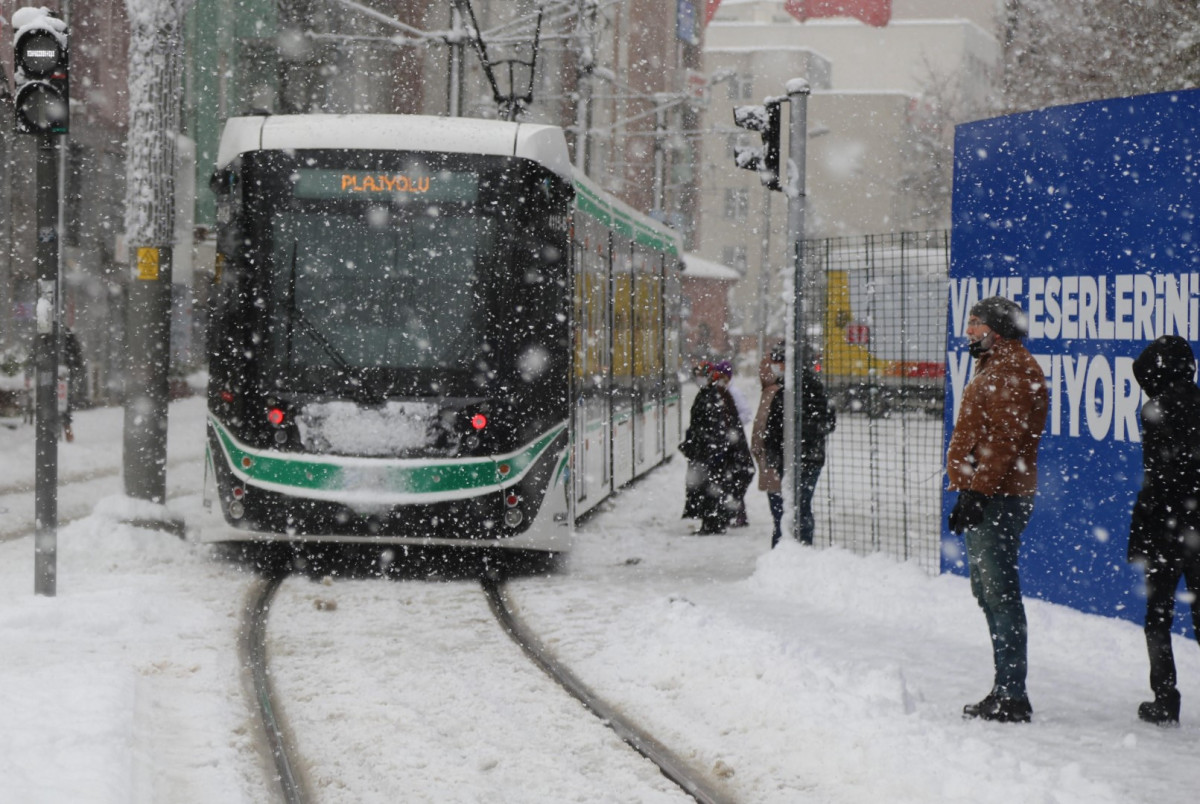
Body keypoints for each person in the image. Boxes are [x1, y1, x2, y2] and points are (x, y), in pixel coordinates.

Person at [946, 296, 1048, 724]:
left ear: (997, 329)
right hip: (990, 494)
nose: (968, 331)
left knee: (1000, 593)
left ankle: (1012, 694)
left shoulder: (1011, 370)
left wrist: (978, 492)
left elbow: (1004, 440)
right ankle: (1005, 688)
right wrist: (971, 487)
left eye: (975, 323)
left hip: (999, 500)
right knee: (987, 592)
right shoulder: (996, 365)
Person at [1128, 335, 1200, 726]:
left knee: (1158, 617)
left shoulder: (1156, 410)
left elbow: (1158, 480)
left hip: (1167, 530)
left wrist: (1142, 533)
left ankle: (1165, 698)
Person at [752, 343, 836, 547]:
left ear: (786, 363)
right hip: (808, 457)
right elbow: (827, 422)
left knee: (785, 509)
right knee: (801, 506)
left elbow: (776, 427)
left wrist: (775, 450)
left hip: (791, 458)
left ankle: (786, 548)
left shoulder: (790, 389)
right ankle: (800, 546)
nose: (774, 366)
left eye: (776, 362)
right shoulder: (810, 385)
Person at [681, 361, 753, 534]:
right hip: (713, 451)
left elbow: (713, 427)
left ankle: (713, 523)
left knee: (711, 487)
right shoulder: (715, 393)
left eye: (700, 376)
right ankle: (715, 520)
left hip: (711, 452)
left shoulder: (713, 395)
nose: (697, 379)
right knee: (715, 486)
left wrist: (705, 447)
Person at [717, 359, 753, 527]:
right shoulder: (724, 391)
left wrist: (733, 428)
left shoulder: (734, 393)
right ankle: (737, 512)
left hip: (734, 440)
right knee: (732, 478)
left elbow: (745, 413)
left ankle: (739, 514)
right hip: (730, 439)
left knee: (736, 477)